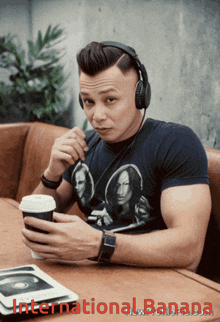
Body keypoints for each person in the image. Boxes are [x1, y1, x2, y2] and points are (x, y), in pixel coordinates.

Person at [22, 41, 211, 271]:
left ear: (140, 95)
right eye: (88, 101)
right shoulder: (84, 144)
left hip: (153, 286)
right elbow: (36, 224)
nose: (97, 115)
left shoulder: (175, 142)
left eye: (110, 100)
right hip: (90, 277)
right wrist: (52, 173)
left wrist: (99, 244)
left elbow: (189, 249)